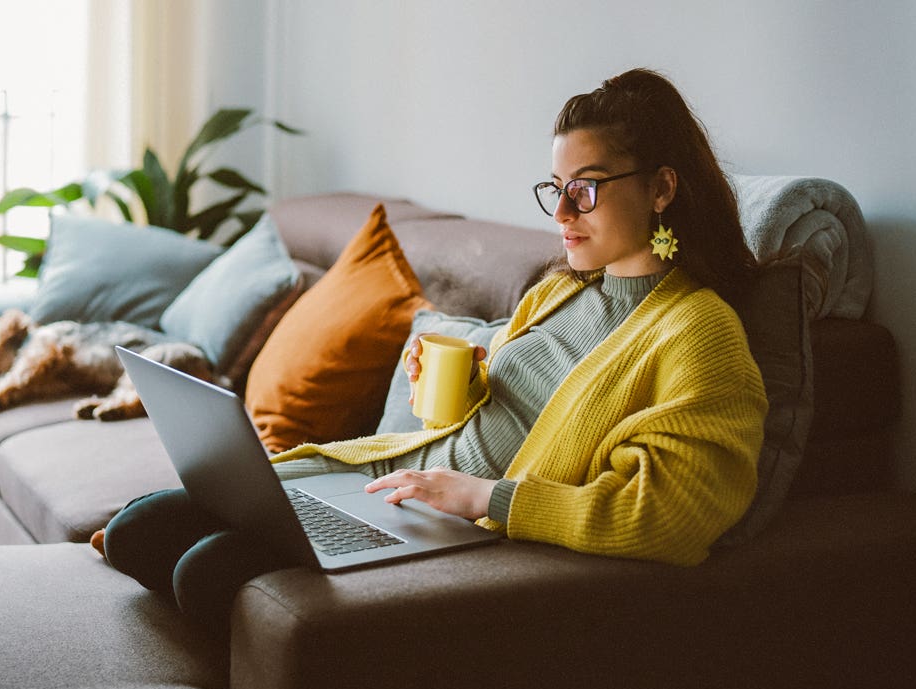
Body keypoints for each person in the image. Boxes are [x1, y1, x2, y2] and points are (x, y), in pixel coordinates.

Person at [94, 67, 768, 632]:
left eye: (585, 190)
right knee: (138, 528)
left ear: (661, 188)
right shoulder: (560, 291)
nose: (562, 214)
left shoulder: (698, 334)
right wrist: (464, 382)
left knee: (202, 570)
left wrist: (488, 499)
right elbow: (519, 407)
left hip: (452, 522)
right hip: (390, 483)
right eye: (555, 190)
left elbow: (673, 515)